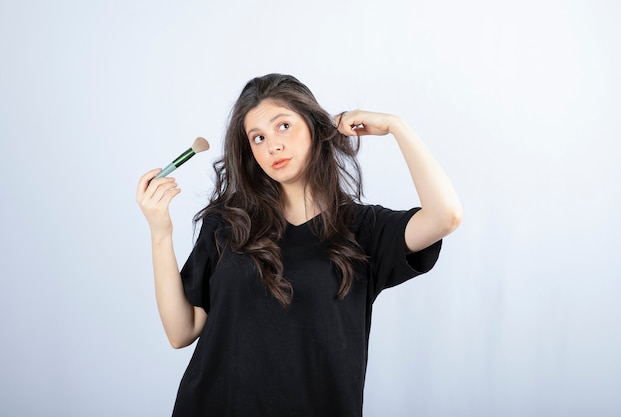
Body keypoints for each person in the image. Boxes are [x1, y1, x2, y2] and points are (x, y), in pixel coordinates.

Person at [136, 73, 462, 416]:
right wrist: (161, 232)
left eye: (283, 126)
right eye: (258, 138)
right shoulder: (228, 223)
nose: (272, 145)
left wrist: (398, 127)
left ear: (314, 126)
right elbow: (181, 331)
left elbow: (446, 216)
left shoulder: (364, 229)